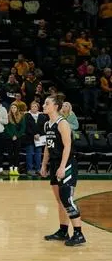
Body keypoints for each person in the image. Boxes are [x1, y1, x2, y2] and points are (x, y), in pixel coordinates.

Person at [41, 95, 86, 246]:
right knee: (60, 200)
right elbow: (47, 146)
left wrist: (62, 167)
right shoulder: (47, 124)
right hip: (54, 163)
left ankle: (79, 233)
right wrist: (43, 165)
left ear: (55, 106)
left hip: (66, 164)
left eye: (47, 103)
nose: (43, 105)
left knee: (67, 198)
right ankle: (63, 231)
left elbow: (67, 146)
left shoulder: (63, 123)